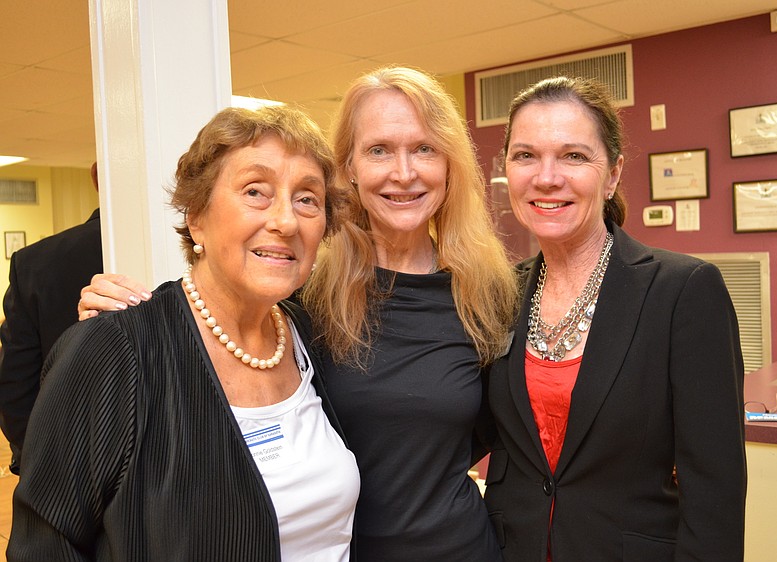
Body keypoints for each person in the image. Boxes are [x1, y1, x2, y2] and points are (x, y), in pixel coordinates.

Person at [78, 66, 518, 561]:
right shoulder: (302, 290)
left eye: (424, 149)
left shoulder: (487, 293)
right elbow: (214, 305)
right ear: (347, 169)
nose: (403, 172)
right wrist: (128, 315)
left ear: (450, 165)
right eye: (378, 150)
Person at [9, 105, 359, 561]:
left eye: (307, 199)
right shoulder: (115, 350)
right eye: (256, 191)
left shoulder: (309, 335)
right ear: (197, 217)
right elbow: (44, 546)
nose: (286, 221)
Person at [482, 76, 746, 561]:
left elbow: (715, 486)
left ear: (614, 174)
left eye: (574, 156)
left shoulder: (681, 290)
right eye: (525, 156)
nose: (546, 177)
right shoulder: (499, 293)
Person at [0, 162, 103, 475]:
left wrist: (41, 466)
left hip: (62, 463)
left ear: (97, 180)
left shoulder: (36, 262)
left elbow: (15, 386)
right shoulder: (194, 252)